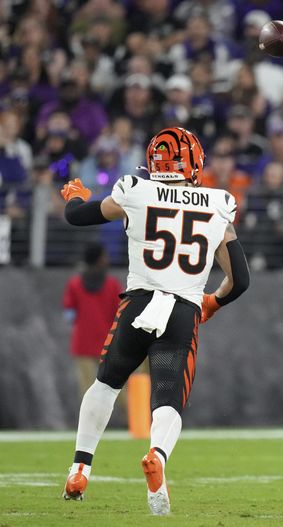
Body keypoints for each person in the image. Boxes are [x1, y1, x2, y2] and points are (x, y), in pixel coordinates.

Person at [59, 127, 250, 515]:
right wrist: (211, 301)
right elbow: (240, 279)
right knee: (168, 399)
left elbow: (78, 216)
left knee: (106, 384)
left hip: (137, 305)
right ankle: (158, 457)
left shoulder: (136, 189)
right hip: (182, 312)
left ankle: (80, 468)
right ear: (194, 162)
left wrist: (75, 195)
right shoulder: (218, 202)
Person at [63, 243, 123, 397]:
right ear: (99, 260)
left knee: (86, 389)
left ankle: (89, 421)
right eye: (104, 256)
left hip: (83, 342)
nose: (107, 259)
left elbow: (69, 313)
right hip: (109, 343)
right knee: (119, 386)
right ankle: (131, 419)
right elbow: (120, 312)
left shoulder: (75, 283)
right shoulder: (112, 284)